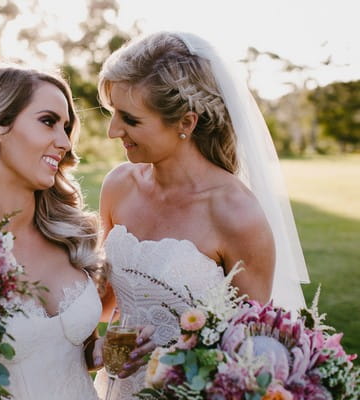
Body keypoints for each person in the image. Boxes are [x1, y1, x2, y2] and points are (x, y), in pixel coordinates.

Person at [91, 32, 310, 399]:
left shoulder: (237, 215)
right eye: (113, 113)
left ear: (186, 123)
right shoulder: (118, 186)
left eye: (129, 118)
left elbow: (251, 354)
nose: (113, 131)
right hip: (118, 388)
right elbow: (107, 302)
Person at [0, 61, 151, 400]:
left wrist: (103, 352)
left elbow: (70, 351)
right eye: (48, 122)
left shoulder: (71, 236)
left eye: (66, 127)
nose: (63, 142)